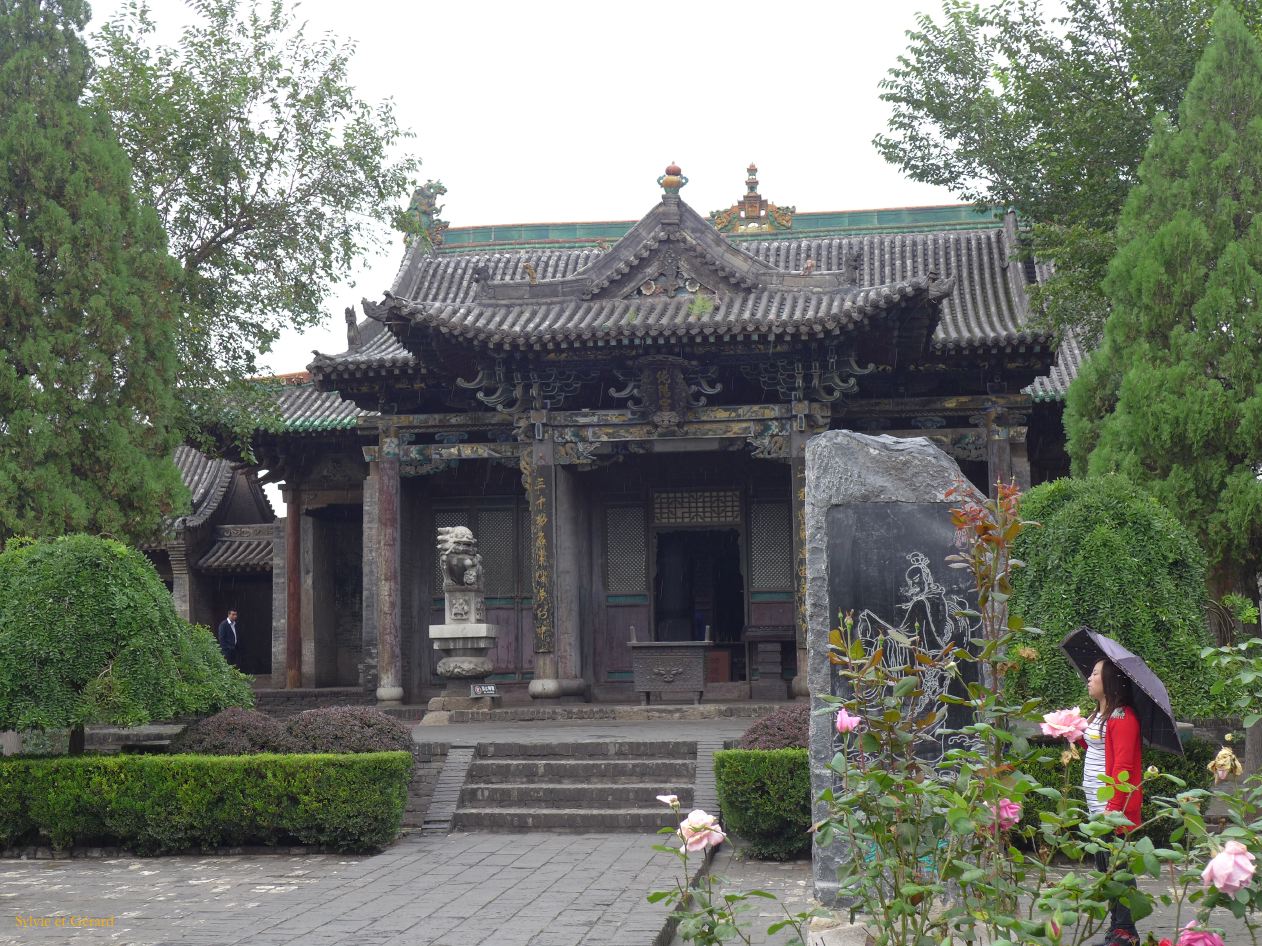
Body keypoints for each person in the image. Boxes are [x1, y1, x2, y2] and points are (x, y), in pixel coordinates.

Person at [1078, 658, 1144, 946]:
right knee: (1105, 870)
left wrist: (1114, 810)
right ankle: (1115, 927)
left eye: (1095, 674)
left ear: (1110, 681)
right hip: (1096, 804)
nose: (1089, 678)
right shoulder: (1099, 716)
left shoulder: (1122, 717)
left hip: (1113, 809)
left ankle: (1126, 932)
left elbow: (1123, 768)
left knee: (1120, 871)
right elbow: (1096, 747)